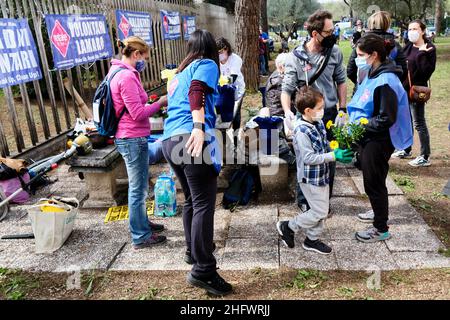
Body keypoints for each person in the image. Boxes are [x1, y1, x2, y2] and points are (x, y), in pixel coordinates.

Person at [161, 30, 232, 296]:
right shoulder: (207, 64)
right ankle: (204, 271)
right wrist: (199, 127)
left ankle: (193, 251)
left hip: (170, 140)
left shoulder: (179, 74)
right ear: (212, 49)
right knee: (203, 203)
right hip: (190, 137)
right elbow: (198, 91)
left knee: (192, 200)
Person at [348, 34, 413, 241]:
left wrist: (361, 126)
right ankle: (378, 211)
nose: (357, 59)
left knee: (373, 182)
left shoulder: (386, 81)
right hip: (369, 136)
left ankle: (380, 228)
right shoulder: (373, 72)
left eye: (360, 55)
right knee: (373, 180)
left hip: (379, 139)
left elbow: (386, 118)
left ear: (373, 55)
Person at [277, 86, 353, 254]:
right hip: (310, 179)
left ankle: (312, 240)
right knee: (320, 211)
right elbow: (309, 158)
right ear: (308, 110)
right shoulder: (302, 131)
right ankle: (288, 226)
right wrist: (333, 156)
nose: (323, 111)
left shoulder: (317, 123)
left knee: (320, 209)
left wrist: (336, 147)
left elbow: (323, 145)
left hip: (322, 175)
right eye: (320, 108)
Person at [281, 9, 347, 200]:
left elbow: (341, 81)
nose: (333, 35)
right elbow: (287, 88)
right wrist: (287, 112)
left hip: (328, 114)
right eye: (328, 32)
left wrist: (342, 109)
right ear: (315, 34)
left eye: (333, 30)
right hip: (306, 115)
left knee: (330, 155)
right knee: (305, 157)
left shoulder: (334, 52)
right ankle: (304, 200)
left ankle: (325, 198)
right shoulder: (296, 56)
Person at [110, 36, 168, 249]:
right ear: (136, 55)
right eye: (144, 57)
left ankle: (143, 223)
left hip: (130, 136)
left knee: (141, 187)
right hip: (131, 137)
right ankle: (140, 236)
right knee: (137, 189)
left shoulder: (120, 72)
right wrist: (161, 102)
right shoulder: (125, 77)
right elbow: (136, 113)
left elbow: (135, 102)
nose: (145, 61)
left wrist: (149, 100)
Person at [392, 20, 436, 166]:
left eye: (415, 29)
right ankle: (406, 149)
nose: (412, 31)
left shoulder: (429, 48)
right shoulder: (408, 47)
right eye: (410, 29)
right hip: (404, 90)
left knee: (419, 123)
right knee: (406, 122)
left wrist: (421, 53)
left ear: (422, 31)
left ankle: (425, 155)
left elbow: (426, 72)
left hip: (417, 92)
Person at [347, 11, 408, 91]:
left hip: (363, 93)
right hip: (389, 91)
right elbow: (403, 70)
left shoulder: (362, 43)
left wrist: (361, 83)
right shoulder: (395, 46)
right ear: (387, 24)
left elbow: (351, 70)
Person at [216, 37, 245, 101]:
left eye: (220, 52)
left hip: (237, 90)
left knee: (234, 110)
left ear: (227, 49)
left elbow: (232, 78)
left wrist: (219, 82)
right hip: (223, 91)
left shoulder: (235, 59)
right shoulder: (216, 61)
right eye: (217, 53)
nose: (219, 55)